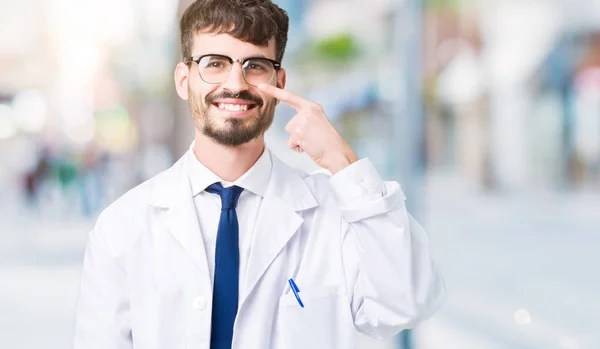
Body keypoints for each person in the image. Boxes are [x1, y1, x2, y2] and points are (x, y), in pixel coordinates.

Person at [72, 1, 445, 348]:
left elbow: (409, 302)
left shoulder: (333, 214)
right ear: (184, 80)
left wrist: (343, 164)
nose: (235, 84)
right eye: (215, 63)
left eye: (255, 66)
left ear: (279, 83)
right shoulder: (123, 226)